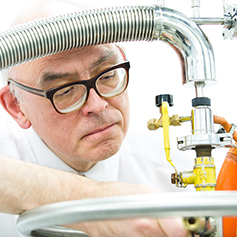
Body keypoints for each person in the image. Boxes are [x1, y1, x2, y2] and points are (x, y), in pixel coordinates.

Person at [0, 0, 193, 236]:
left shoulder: (175, 176)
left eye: (108, 75)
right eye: (65, 90)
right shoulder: (6, 151)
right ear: (16, 105)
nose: (98, 104)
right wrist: (94, 201)